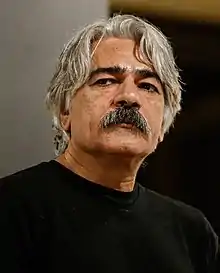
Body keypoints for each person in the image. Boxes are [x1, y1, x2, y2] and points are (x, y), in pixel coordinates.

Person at [0, 14, 218, 273]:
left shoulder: (191, 232)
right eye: (106, 81)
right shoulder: (12, 207)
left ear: (162, 126)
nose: (129, 97)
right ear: (64, 111)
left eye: (147, 86)